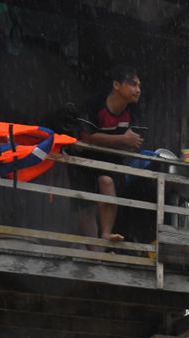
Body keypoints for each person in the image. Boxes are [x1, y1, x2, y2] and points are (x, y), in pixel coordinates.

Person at [77, 65, 144, 242]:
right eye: (133, 84)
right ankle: (94, 251)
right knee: (85, 205)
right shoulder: (94, 104)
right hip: (83, 157)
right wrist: (122, 139)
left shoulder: (134, 109)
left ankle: (106, 234)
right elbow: (86, 137)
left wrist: (110, 140)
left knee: (107, 182)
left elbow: (134, 143)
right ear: (116, 85)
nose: (138, 90)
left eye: (139, 85)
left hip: (111, 159)